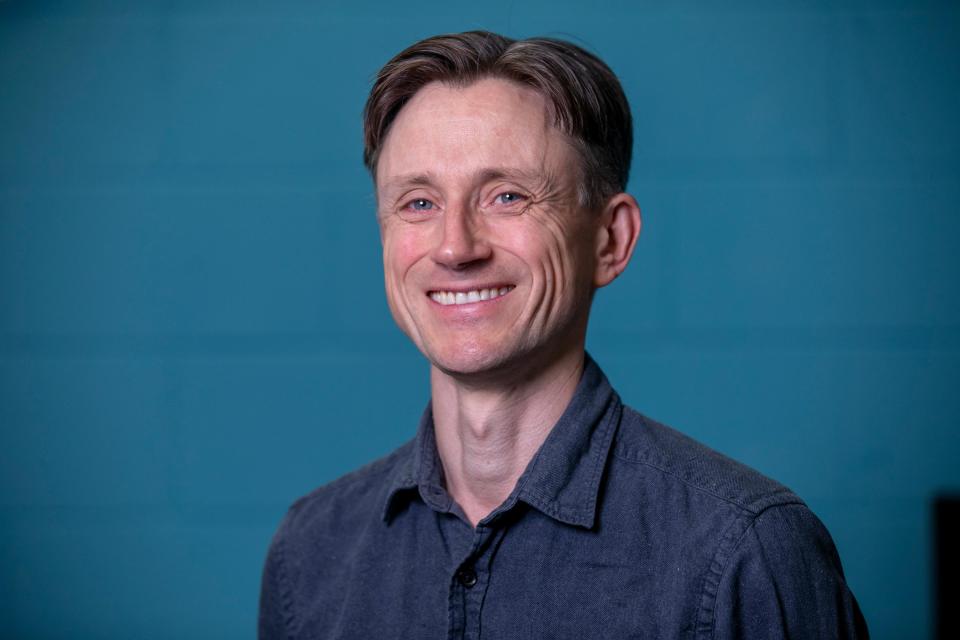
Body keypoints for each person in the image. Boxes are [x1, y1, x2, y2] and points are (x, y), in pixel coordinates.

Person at [259, 31, 868, 639]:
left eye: (507, 196)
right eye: (418, 203)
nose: (454, 247)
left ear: (610, 240)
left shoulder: (747, 553)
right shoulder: (310, 553)